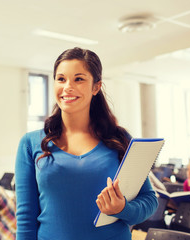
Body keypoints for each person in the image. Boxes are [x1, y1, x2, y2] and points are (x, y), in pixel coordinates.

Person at [15, 47, 158, 240]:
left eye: (79, 79)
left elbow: (149, 201)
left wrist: (123, 208)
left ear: (96, 87)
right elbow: (25, 217)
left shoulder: (119, 138)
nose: (67, 87)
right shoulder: (30, 143)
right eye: (61, 79)